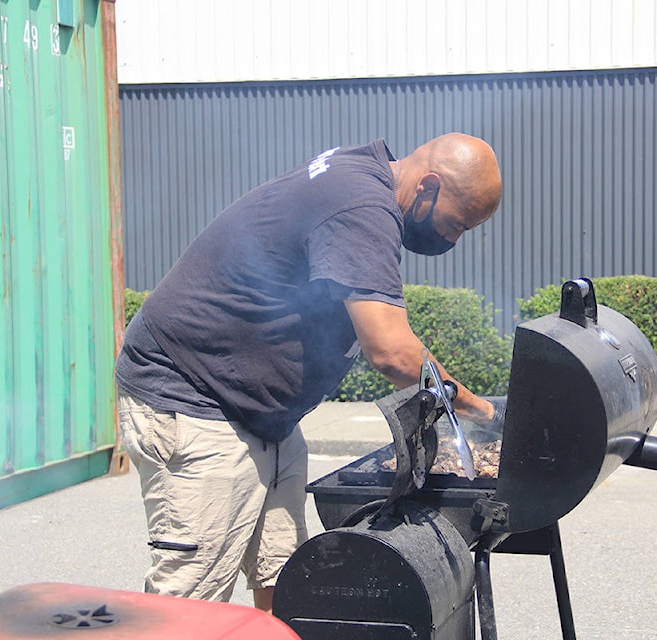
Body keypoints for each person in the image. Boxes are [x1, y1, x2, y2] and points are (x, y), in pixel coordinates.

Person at [114, 132, 504, 612]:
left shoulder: (364, 175)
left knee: (287, 581)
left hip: (261, 413)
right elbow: (393, 353)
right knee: (192, 601)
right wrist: (483, 411)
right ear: (427, 186)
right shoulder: (361, 205)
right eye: (458, 223)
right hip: (195, 397)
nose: (454, 238)